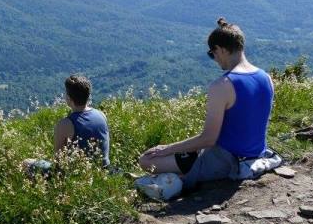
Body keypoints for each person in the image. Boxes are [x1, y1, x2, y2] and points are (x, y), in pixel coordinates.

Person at [137, 18, 274, 199]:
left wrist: (168, 148)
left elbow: (209, 139)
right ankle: (180, 176)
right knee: (176, 155)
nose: (214, 59)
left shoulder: (222, 85)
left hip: (225, 160)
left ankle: (179, 181)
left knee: (147, 159)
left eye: (213, 53)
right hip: (255, 154)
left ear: (222, 50)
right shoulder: (266, 77)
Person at [24, 74, 111, 175]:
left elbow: (58, 160)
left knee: (26, 163)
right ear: (88, 95)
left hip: (78, 175)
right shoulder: (101, 115)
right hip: (104, 171)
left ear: (69, 98)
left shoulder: (65, 124)